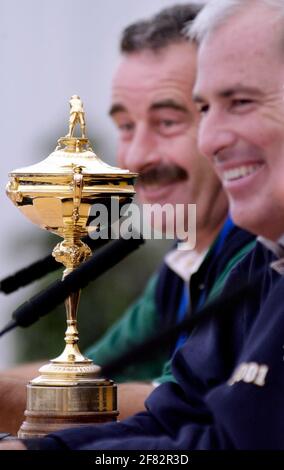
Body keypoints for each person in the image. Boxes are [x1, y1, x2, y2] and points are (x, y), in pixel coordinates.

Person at [0, 3, 254, 439]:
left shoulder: (257, 258)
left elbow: (182, 409)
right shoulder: (185, 254)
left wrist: (7, 398)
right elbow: (87, 369)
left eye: (167, 122)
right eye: (125, 125)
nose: (135, 158)